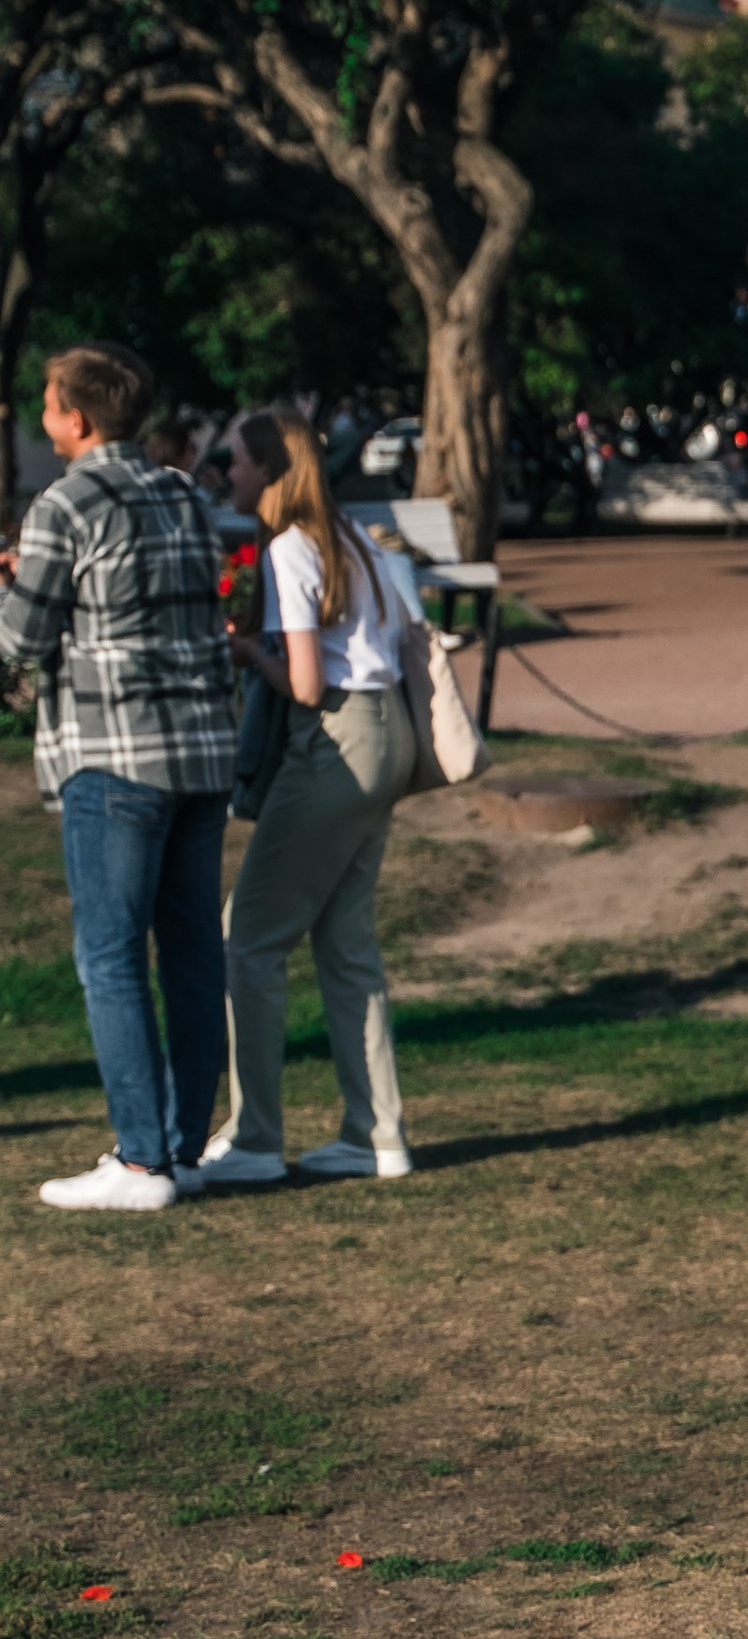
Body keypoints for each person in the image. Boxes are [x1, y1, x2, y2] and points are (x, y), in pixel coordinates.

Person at [0, 343, 235, 1213]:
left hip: (115, 753)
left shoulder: (64, 502)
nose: (42, 416)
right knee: (189, 952)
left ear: (79, 418)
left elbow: (17, 643)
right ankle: (179, 1147)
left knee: (109, 955)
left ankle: (139, 1164)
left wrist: (16, 591)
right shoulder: (183, 492)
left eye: (51, 404)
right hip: (201, 753)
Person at [211, 411, 424, 1185]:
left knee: (248, 939)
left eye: (235, 461)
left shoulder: (290, 551)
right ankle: (376, 1133)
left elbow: (305, 683)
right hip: (391, 735)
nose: (227, 472)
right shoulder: (358, 540)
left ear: (267, 472)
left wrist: (246, 653)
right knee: (346, 943)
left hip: (335, 743)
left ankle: (256, 1136)